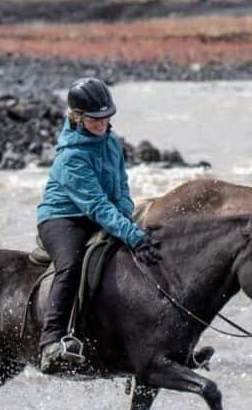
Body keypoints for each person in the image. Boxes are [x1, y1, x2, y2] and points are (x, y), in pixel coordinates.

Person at [35, 78, 161, 374]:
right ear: (77, 117)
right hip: (62, 218)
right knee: (72, 263)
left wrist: (130, 219)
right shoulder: (70, 157)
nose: (104, 123)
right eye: (96, 119)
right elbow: (96, 206)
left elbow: (120, 191)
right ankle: (51, 341)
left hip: (100, 213)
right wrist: (131, 234)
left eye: (108, 117)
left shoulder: (112, 143)